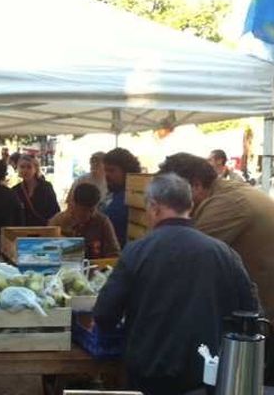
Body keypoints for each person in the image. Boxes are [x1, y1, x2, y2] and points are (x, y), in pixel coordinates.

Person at [94, 173, 258, 395]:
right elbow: (250, 310)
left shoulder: (137, 252)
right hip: (207, 374)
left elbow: (105, 314)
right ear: (190, 205)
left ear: (154, 207)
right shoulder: (223, 253)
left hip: (149, 373)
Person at [158, 152, 274, 320]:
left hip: (263, 316)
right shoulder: (226, 192)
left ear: (196, 185)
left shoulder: (228, 203)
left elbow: (180, 256)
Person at [49, 183, 120, 259]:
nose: (88, 215)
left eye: (92, 211)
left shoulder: (102, 222)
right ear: (73, 204)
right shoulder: (58, 222)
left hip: (95, 267)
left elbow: (114, 254)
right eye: (84, 210)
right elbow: (46, 252)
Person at [101, 148, 141, 248]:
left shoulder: (132, 199)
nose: (106, 175)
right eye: (105, 170)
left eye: (111, 170)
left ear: (127, 171)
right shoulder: (112, 195)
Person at [12, 154, 60, 226]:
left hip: (44, 229)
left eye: (29, 167)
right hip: (23, 231)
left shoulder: (46, 187)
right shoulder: (16, 190)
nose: (25, 170)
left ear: (35, 169)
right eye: (22, 167)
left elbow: (55, 210)